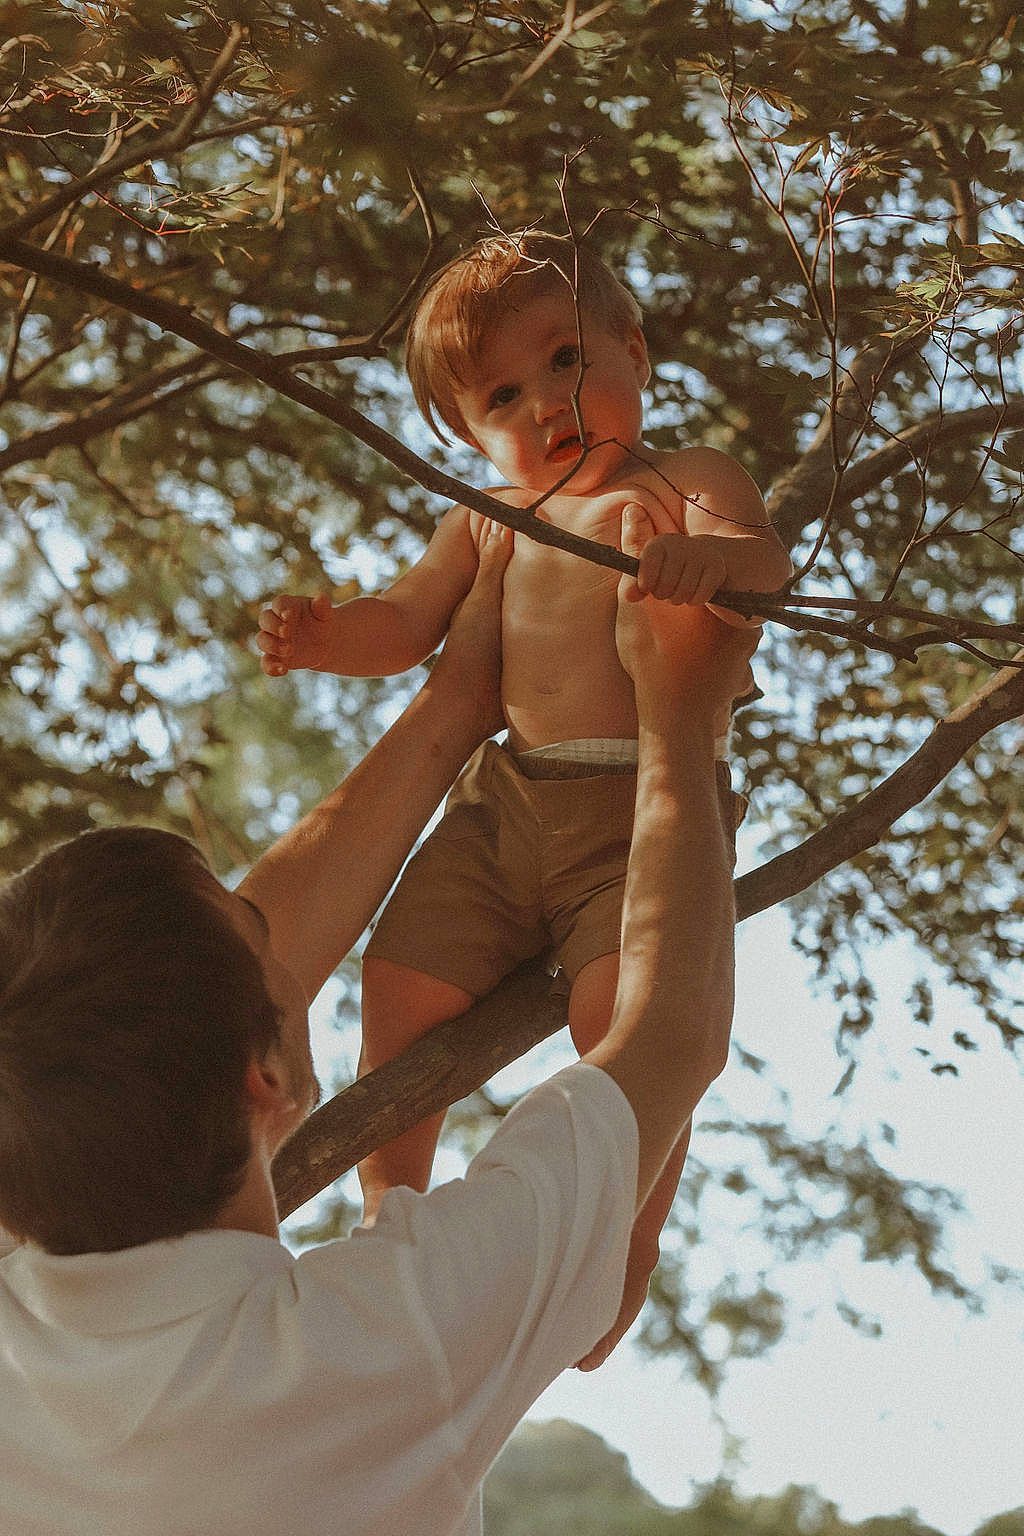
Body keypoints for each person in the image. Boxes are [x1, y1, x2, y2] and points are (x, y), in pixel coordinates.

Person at [0, 516, 755, 1536]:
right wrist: (681, 715)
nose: (290, 948)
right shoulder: (381, 1344)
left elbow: (148, 1014)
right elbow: (669, 1032)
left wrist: (455, 704)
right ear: (260, 1078)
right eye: (258, 928)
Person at [257, 230, 792, 1366]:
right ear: (466, 434)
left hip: (637, 823)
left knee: (626, 1030)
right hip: (502, 812)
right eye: (504, 391)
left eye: (566, 358)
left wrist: (713, 563)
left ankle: (624, 1243)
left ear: (634, 354)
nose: (550, 400)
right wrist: (327, 636)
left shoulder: (681, 481)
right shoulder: (489, 519)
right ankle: (385, 1202)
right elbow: (406, 624)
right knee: (398, 982)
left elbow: (763, 555)